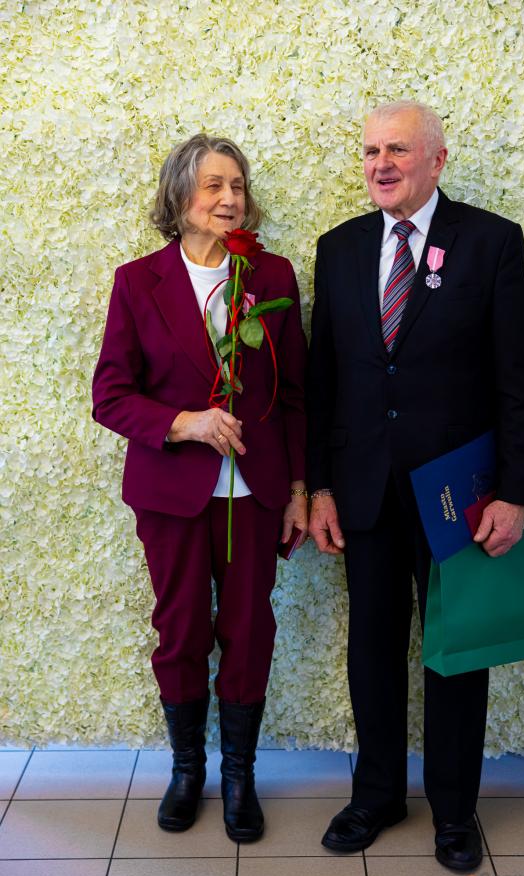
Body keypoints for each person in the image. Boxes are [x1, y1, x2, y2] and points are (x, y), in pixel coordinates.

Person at [306, 100, 524, 870]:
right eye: (371, 150)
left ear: (437, 160)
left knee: (455, 654)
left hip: (459, 496)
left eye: (398, 150)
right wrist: (319, 486)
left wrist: (515, 491)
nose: (381, 164)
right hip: (365, 490)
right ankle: (376, 794)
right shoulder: (338, 248)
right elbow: (322, 381)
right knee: (372, 650)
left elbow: (517, 380)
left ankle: (454, 811)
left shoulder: (492, 242)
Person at [92, 134, 307, 840]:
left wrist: (299, 487)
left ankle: (240, 775)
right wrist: (185, 423)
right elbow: (110, 396)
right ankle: (188, 770)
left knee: (248, 632)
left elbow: (296, 393)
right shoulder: (138, 282)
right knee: (180, 630)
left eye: (237, 186)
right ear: (180, 196)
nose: (229, 198)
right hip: (171, 496)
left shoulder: (271, 275)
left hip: (256, 494)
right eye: (213, 185)